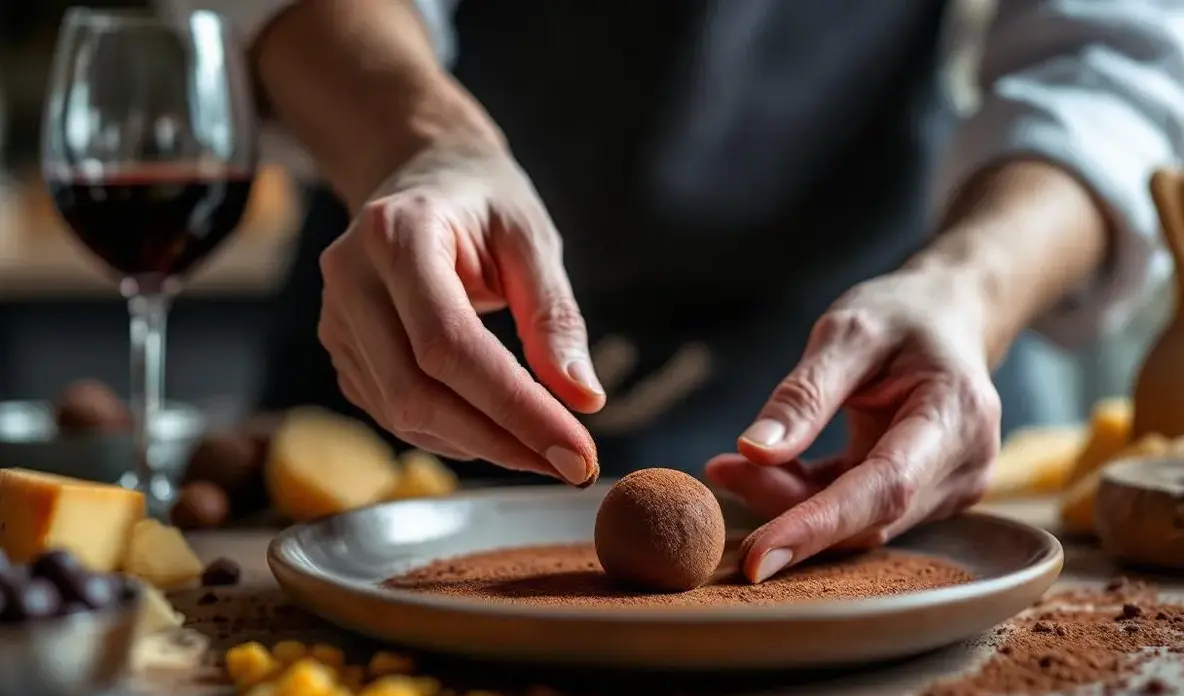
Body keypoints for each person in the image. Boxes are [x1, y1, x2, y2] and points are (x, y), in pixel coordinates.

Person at [160, 0, 1184, 583]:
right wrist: (419, 147)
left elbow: (1108, 55)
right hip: (415, 325)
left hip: (867, 376)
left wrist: (967, 289)